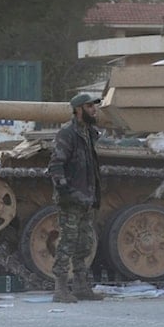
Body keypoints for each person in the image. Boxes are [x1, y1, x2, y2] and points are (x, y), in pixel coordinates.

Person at [47, 92, 105, 303]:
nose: (94, 110)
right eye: (90, 106)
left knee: (85, 243)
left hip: (86, 197)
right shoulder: (67, 133)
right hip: (72, 198)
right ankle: (60, 288)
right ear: (79, 109)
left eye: (94, 106)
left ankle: (81, 286)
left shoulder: (88, 133)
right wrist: (63, 188)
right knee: (67, 242)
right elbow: (56, 163)